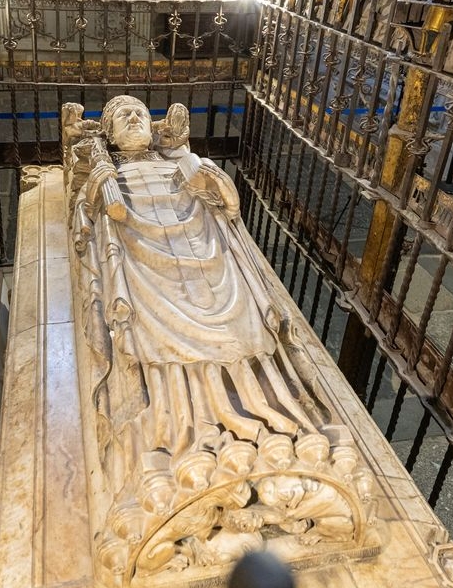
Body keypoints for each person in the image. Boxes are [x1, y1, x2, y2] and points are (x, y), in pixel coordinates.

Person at [67, 96, 321, 488]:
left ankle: (265, 414)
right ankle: (182, 430)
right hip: (142, 259)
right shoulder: (106, 170)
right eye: (122, 116)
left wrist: (207, 174)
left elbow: (227, 205)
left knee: (242, 327)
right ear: (111, 135)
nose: (135, 119)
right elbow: (86, 217)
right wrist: (96, 188)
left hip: (203, 250)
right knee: (158, 340)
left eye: (140, 114)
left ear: (154, 130)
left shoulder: (178, 162)